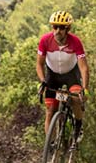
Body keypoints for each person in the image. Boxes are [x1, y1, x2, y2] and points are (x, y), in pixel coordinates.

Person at [36, 10, 89, 143]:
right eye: (55, 27)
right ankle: (50, 144)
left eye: (61, 27)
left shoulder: (75, 41)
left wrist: (85, 88)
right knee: (50, 110)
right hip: (52, 75)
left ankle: (78, 124)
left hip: (71, 74)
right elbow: (39, 64)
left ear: (68, 28)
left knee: (76, 99)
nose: (57, 31)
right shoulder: (45, 40)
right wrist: (42, 81)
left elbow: (83, 67)